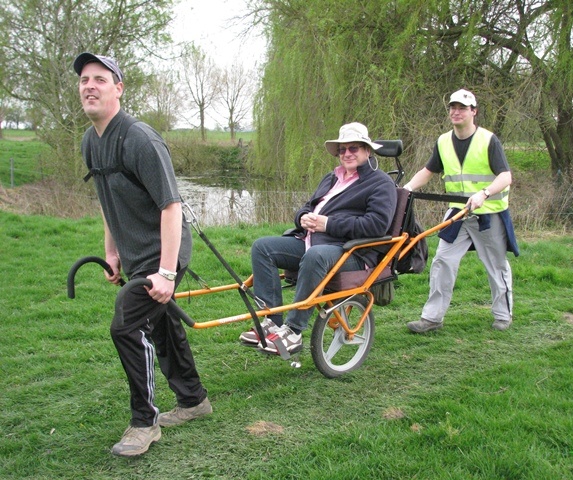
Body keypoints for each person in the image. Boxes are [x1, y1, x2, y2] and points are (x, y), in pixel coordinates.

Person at [74, 53, 211, 457]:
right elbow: (107, 199)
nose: (89, 86)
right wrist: (112, 251)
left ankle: (143, 422)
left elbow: (170, 207)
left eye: (100, 78)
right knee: (163, 326)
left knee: (126, 324)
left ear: (118, 88)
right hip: (135, 255)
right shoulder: (90, 141)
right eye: (84, 79)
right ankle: (193, 400)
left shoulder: (139, 138)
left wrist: (167, 273)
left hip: (164, 253)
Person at [239, 122, 397, 354]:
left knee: (315, 256)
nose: (347, 154)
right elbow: (308, 206)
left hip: (350, 251)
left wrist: (328, 224)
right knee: (262, 247)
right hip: (312, 241)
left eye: (353, 148)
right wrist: (303, 218)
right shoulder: (331, 178)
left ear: (367, 150)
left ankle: (293, 332)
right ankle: (271, 322)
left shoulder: (380, 183)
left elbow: (377, 225)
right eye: (342, 149)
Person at [403, 89, 519, 333]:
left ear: (473, 112)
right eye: (452, 107)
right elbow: (428, 170)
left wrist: (484, 194)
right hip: (458, 213)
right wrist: (406, 188)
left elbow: (506, 176)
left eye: (462, 108)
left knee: (496, 265)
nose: (456, 111)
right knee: (442, 261)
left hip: (489, 214)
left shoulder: (489, 140)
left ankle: (502, 315)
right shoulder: (444, 141)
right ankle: (432, 319)